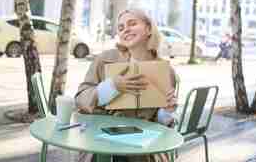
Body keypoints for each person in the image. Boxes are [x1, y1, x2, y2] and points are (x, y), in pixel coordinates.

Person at [75, 8, 178, 162]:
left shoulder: (166, 71)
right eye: (121, 28)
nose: (126, 30)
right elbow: (80, 99)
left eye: (132, 23)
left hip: (143, 149)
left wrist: (166, 111)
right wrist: (111, 87)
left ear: (149, 29)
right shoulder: (104, 60)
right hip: (101, 143)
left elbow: (161, 126)